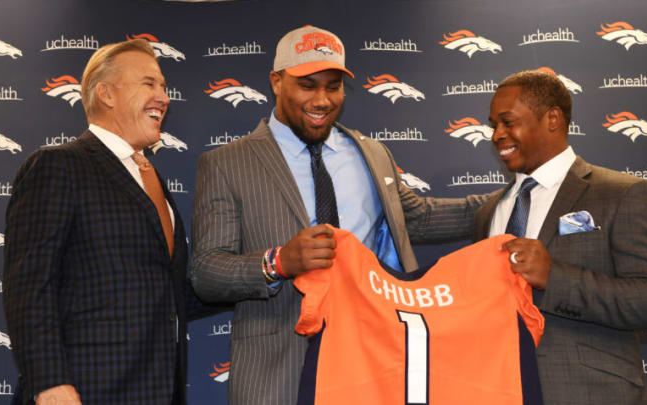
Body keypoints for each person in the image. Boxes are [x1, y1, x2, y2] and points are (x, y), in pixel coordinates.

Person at [190, 25, 486, 404]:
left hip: (368, 364)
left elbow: (416, 218)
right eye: (307, 85)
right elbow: (206, 272)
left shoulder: (370, 153)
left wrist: (517, 195)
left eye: (333, 86)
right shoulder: (226, 163)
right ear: (276, 82)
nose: (322, 100)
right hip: (277, 372)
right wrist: (279, 262)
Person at [475, 70, 647, 404]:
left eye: (507, 121)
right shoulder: (490, 211)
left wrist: (553, 277)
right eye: (492, 124)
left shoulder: (622, 193)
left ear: (552, 118)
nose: (497, 134)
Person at [3, 39, 190, 405]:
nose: (164, 97)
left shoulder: (149, 177)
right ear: (106, 94)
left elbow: (167, 290)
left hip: (157, 392)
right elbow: (29, 286)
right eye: (149, 84)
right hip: (86, 392)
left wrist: (265, 269)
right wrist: (49, 382)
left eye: (164, 87)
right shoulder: (58, 165)